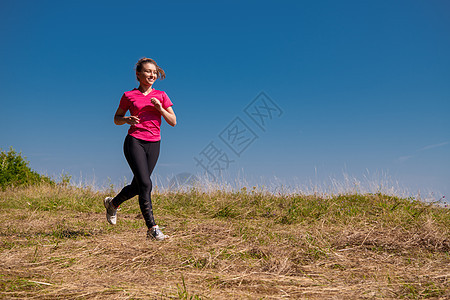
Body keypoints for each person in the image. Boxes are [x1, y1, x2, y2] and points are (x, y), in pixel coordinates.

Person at [104, 57, 176, 241]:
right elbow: (116, 118)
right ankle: (152, 229)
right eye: (148, 71)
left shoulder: (161, 95)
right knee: (146, 184)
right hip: (134, 141)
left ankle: (113, 204)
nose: (152, 74)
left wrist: (160, 108)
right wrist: (127, 119)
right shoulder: (128, 95)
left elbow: (173, 121)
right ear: (138, 74)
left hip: (154, 143)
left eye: (154, 72)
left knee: (139, 185)